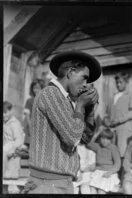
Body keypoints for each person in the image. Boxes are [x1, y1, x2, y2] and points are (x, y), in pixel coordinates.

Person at [23, 51, 101, 194]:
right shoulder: (51, 94)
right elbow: (72, 138)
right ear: (70, 72)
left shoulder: (66, 100)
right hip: (48, 184)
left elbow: (84, 139)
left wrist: (89, 109)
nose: (85, 85)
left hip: (59, 183)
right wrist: (80, 106)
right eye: (84, 78)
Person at [104, 72, 132, 158]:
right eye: (117, 82)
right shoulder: (112, 97)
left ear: (126, 83)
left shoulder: (129, 96)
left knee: (122, 152)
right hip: (112, 129)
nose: (118, 84)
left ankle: (123, 170)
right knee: (112, 152)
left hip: (123, 129)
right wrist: (106, 120)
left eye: (121, 82)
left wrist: (118, 120)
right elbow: (106, 113)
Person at [86, 128, 121, 194]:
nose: (104, 141)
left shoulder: (113, 148)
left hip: (108, 173)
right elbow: (88, 143)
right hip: (98, 172)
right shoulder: (98, 146)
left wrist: (110, 172)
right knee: (92, 189)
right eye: (102, 138)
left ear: (110, 140)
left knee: (101, 191)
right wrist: (97, 133)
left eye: (107, 139)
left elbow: (118, 163)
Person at [3, 101, 25, 193]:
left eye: (5, 112)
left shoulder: (13, 124)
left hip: (14, 151)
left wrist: (12, 148)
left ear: (11, 111)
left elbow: (19, 140)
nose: (3, 115)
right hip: (7, 150)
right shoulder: (5, 123)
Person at [23, 79, 44, 148]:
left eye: (38, 88)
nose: (36, 90)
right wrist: (30, 127)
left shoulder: (44, 101)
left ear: (42, 88)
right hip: (31, 126)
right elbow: (27, 116)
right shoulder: (29, 101)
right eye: (34, 88)